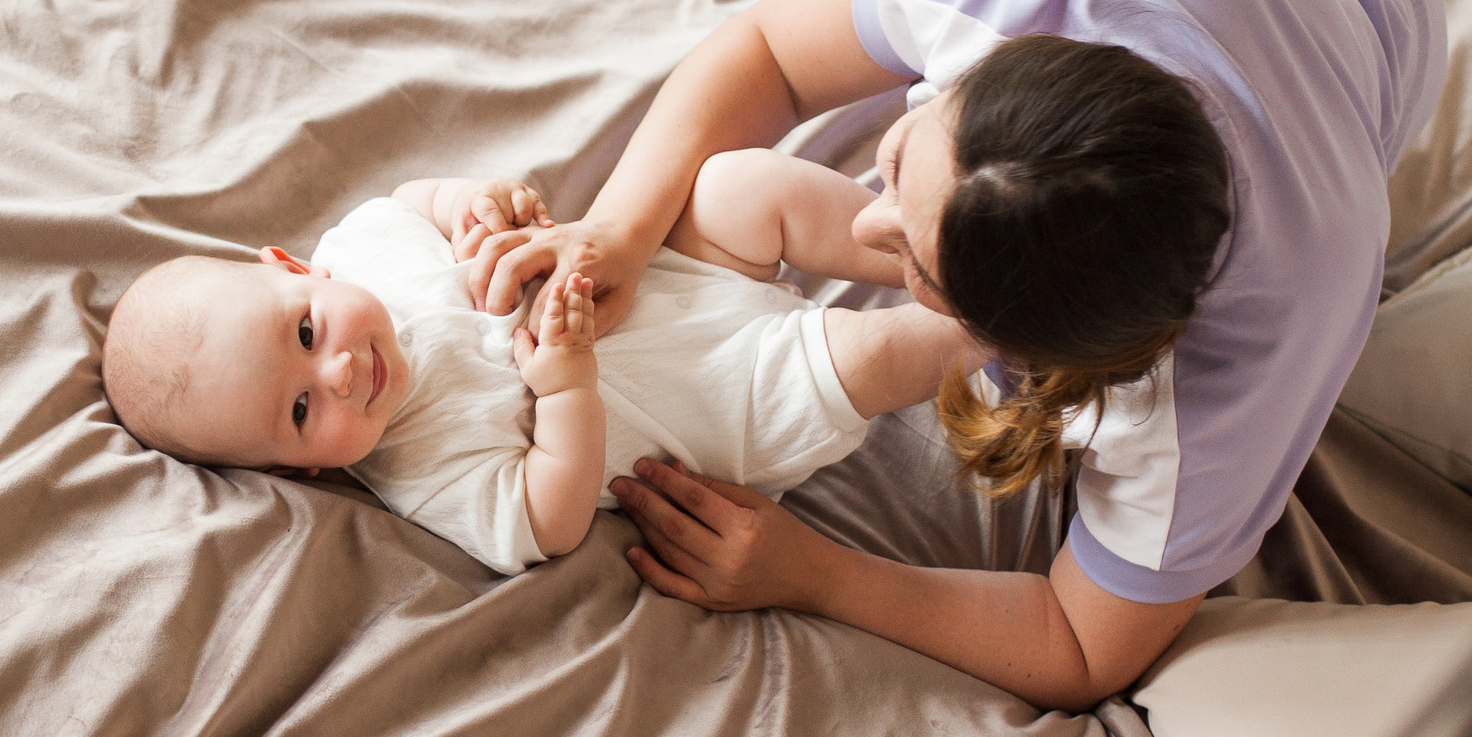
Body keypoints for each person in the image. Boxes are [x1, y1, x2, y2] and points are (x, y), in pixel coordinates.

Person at [462, 0, 1447, 709]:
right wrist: (619, 229)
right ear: (1002, 52)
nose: (868, 224)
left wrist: (814, 573)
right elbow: (768, 51)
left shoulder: (1239, 372)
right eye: (897, 159)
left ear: (1045, 352)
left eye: (915, 268)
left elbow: (1082, 646)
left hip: (1342, 17)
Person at [101, 164, 973, 575]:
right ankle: (994, 326)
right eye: (297, 411)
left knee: (737, 188)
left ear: (298, 270)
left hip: (670, 275)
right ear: (303, 468)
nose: (334, 372)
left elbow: (420, 201)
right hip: (727, 396)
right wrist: (563, 388)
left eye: (302, 331)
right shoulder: (418, 469)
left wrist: (478, 204)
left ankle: (933, 246)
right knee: (874, 353)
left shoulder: (365, 243)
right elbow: (547, 518)